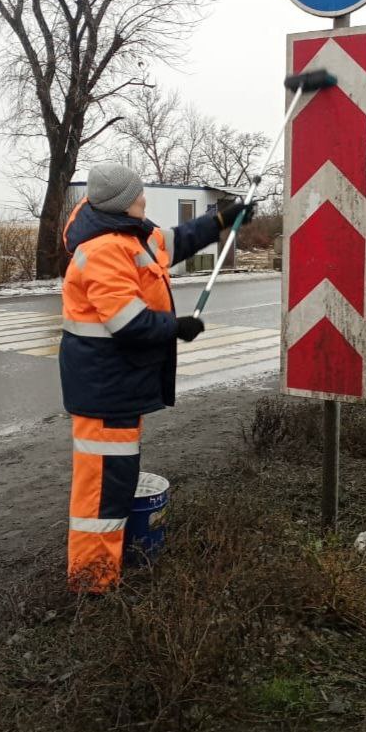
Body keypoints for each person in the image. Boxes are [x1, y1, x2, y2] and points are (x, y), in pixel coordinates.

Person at [59, 162, 254, 592]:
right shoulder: (106, 249)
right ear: (127, 200)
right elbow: (129, 324)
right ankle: (93, 583)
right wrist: (176, 327)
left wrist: (221, 220)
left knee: (116, 481)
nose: (144, 197)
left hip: (118, 386)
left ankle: (105, 568)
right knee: (103, 492)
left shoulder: (132, 235)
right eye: (140, 192)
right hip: (105, 390)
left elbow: (176, 240)